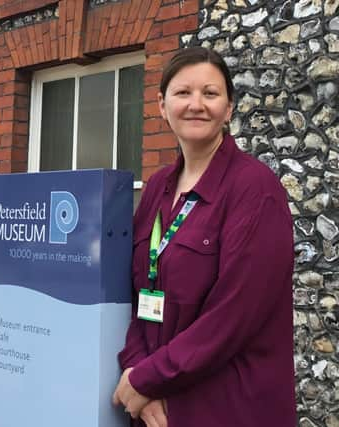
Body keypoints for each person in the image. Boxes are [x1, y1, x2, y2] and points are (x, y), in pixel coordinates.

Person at [112, 47, 296, 427]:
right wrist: (135, 369)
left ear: (228, 109)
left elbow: (233, 316)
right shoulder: (158, 186)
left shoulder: (255, 189)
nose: (196, 104)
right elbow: (134, 293)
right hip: (158, 406)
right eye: (183, 93)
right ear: (162, 105)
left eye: (210, 94)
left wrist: (147, 379)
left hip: (226, 407)